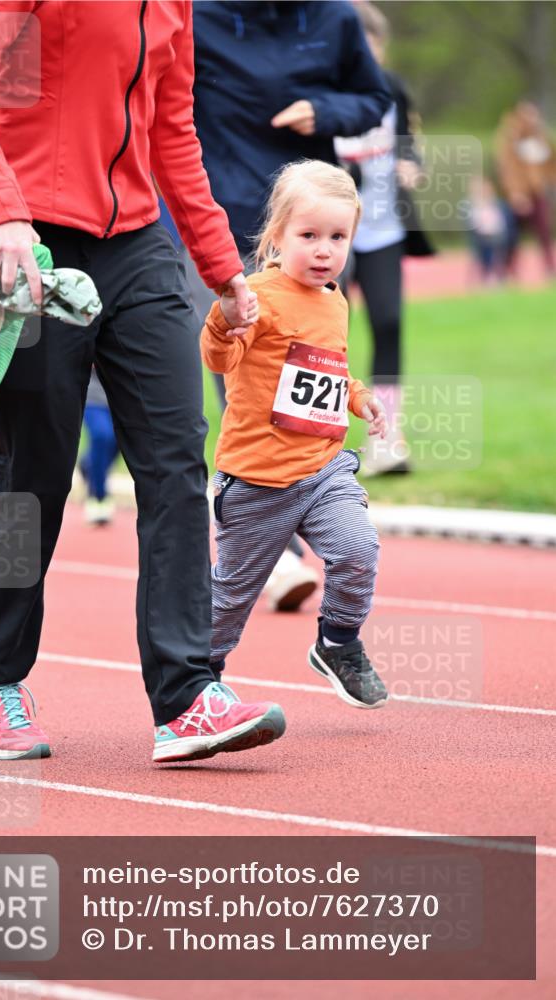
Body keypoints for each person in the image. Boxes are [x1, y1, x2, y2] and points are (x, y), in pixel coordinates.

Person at [0, 1, 285, 764]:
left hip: (136, 243)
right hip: (25, 243)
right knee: (34, 475)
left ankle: (186, 695)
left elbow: (172, 133)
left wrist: (221, 266)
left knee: (176, 462)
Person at [191, 0, 392, 610]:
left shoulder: (334, 19)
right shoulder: (196, 17)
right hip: (227, 214)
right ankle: (268, 536)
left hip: (316, 219)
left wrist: (325, 110)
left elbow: (374, 97)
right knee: (244, 365)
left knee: (313, 358)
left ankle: (313, 500)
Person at [201, 160, 389, 709]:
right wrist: (223, 318)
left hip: (323, 468)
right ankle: (198, 677)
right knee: (230, 598)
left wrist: (360, 398)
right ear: (277, 236)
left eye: (338, 237)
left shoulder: (336, 301)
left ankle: (338, 642)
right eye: (309, 236)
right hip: (257, 478)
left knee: (359, 549)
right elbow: (217, 357)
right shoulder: (256, 296)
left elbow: (333, 370)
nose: (325, 250)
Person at [335, 1, 434, 476]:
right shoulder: (325, 92)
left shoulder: (394, 89)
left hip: (384, 229)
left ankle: (386, 439)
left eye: (377, 54)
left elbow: (410, 138)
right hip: (334, 236)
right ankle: (321, 438)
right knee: (328, 333)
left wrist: (412, 164)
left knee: (390, 323)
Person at [495, 100, 556, 278]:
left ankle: (549, 268)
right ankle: (507, 271)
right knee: (512, 235)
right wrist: (516, 193)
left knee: (544, 232)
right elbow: (507, 168)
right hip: (519, 195)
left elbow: (549, 164)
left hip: (538, 193)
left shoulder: (540, 137)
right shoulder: (510, 137)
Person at [80, 367, 119, 526]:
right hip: (92, 395)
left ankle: (87, 465)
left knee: (120, 442)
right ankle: (98, 496)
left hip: (121, 397)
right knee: (102, 435)